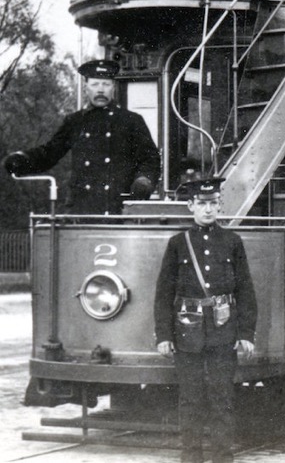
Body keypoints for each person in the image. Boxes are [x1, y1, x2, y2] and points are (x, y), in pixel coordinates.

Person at [153, 176, 257, 463]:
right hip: (187, 334)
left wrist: (246, 333)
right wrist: (163, 336)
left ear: (219, 205)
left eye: (213, 203)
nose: (208, 210)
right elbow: (164, 293)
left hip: (224, 332)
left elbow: (246, 290)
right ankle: (191, 458)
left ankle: (223, 458)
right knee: (190, 400)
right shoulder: (178, 244)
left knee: (222, 399)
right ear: (191, 206)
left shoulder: (233, 242)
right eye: (202, 204)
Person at [2, 59, 160, 215]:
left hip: (117, 209)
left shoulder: (131, 120)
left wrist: (143, 181)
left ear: (113, 88)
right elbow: (50, 153)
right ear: (86, 88)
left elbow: (151, 159)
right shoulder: (74, 121)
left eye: (105, 84)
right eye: (95, 84)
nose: (100, 90)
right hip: (81, 210)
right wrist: (22, 160)